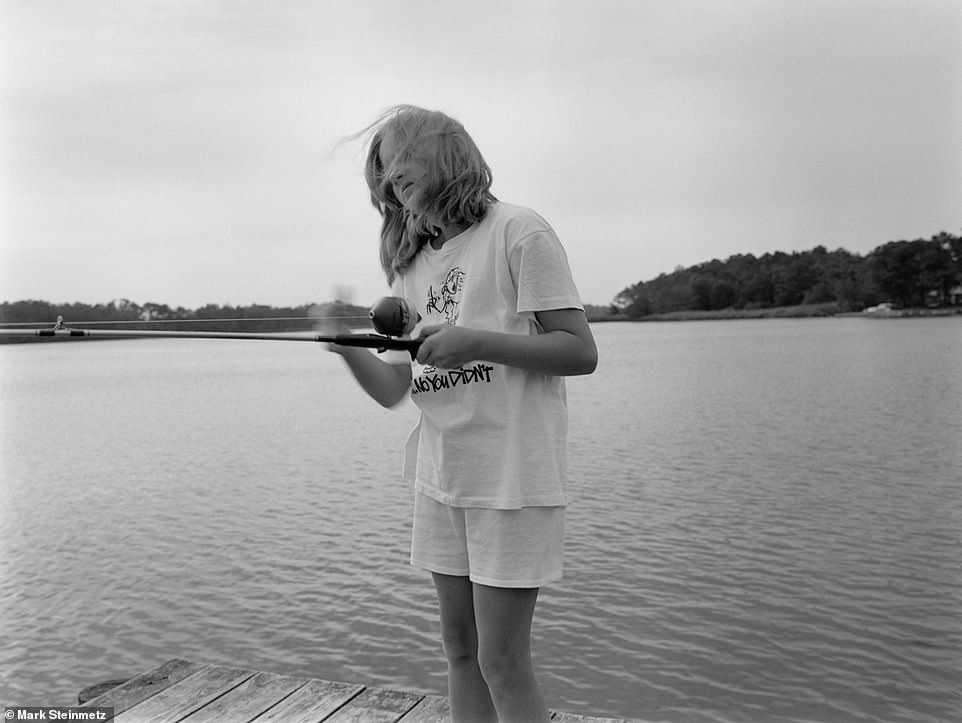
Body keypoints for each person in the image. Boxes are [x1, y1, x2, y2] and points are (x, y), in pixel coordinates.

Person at [322, 105, 597, 723]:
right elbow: (399, 388)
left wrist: (476, 341)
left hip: (511, 478)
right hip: (443, 479)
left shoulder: (518, 231)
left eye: (400, 160)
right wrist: (344, 349)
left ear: (445, 152)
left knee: (503, 661)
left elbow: (580, 351)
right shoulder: (412, 263)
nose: (392, 179)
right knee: (460, 648)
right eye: (384, 175)